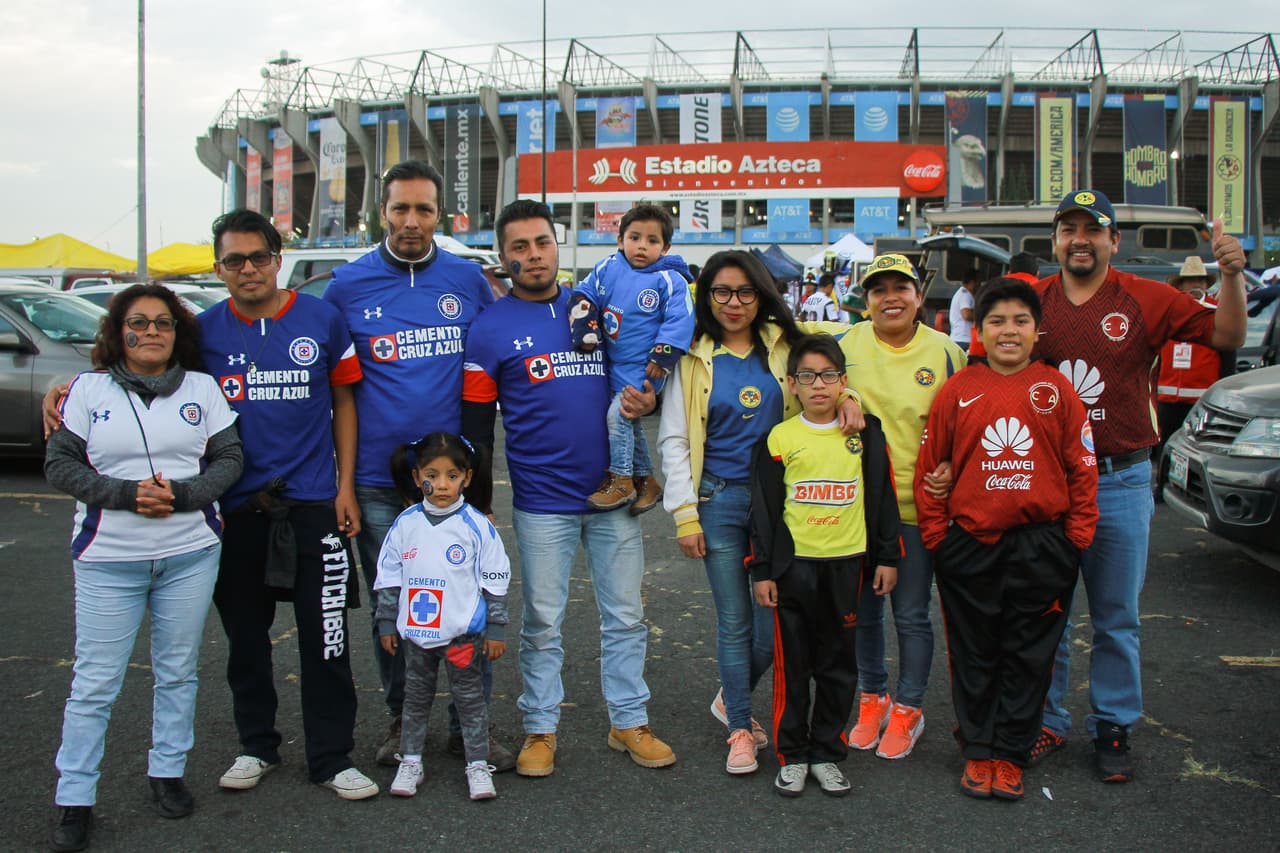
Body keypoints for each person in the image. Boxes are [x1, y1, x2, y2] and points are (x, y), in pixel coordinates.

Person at [1029, 189, 1246, 782]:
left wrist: (1230, 275)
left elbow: (1225, 337)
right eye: (1068, 229)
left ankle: (1113, 725)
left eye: (1092, 230)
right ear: (1055, 240)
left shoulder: (1145, 298)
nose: (1079, 239)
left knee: (1115, 617)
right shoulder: (1033, 301)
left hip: (1120, 479)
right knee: (1046, 611)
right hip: (1044, 484)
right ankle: (1045, 720)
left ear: (1112, 241)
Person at [462, 199, 675, 777]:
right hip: (541, 502)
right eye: (520, 247)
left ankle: (628, 720)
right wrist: (476, 504)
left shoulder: (596, 305)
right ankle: (540, 729)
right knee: (543, 622)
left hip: (614, 492)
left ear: (558, 245)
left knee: (627, 615)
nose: (533, 256)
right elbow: (477, 427)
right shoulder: (488, 329)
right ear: (504, 257)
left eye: (542, 243)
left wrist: (649, 394)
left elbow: (640, 367)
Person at [322, 160, 510, 770]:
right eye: (399, 209)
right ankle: (404, 719)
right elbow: (322, 380)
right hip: (379, 482)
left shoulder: (467, 280)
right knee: (399, 606)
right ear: (382, 212)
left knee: (466, 602)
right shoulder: (347, 285)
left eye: (422, 210)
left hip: (453, 483)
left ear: (441, 215)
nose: (410, 221)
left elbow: (495, 361)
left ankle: (466, 725)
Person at [44, 284, 243, 852]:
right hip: (109, 559)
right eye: (139, 322)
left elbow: (229, 457)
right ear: (118, 330)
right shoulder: (85, 389)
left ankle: (167, 772)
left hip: (189, 553)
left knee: (178, 670)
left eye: (163, 323)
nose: (151, 332)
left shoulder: (201, 389)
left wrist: (184, 496)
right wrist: (125, 495)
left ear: (178, 333)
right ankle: (75, 797)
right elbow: (59, 465)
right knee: (96, 682)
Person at [657, 250, 863, 776]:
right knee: (733, 622)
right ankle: (740, 730)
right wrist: (684, 513)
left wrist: (851, 395)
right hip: (719, 500)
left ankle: (731, 694)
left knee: (774, 623)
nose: (734, 303)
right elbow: (675, 439)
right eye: (721, 292)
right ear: (705, 297)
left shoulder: (783, 345)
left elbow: (826, 374)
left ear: (763, 294)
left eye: (746, 292)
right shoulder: (692, 356)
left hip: (781, 503)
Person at [201, 210, 377, 801]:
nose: (248, 269)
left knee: (326, 637)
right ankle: (256, 746)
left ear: (279, 259)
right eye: (234, 260)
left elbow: (345, 403)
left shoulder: (321, 319)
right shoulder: (202, 333)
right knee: (245, 639)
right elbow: (134, 368)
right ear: (219, 267)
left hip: (313, 505)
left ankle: (332, 757)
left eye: (258, 257)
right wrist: (64, 387)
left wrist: (344, 487)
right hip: (236, 511)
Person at [915, 279, 1098, 801]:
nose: (1009, 331)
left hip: (1042, 545)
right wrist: (937, 536)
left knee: (1030, 654)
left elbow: (1082, 467)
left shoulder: (1056, 389)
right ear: (979, 330)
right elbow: (931, 467)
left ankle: (1011, 754)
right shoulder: (958, 389)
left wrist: (1075, 539)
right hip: (970, 544)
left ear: (1038, 331)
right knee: (974, 652)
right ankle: (977, 750)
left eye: (1021, 320)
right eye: (997, 321)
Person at [748, 334, 900, 798]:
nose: (819, 385)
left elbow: (884, 496)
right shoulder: (779, 438)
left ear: (843, 382)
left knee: (838, 667)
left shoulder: (865, 432)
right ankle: (792, 753)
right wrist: (764, 571)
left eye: (829, 375)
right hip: (796, 570)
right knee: (794, 666)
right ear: (792, 384)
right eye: (808, 376)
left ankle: (826, 752)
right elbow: (764, 512)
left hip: (846, 567)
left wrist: (888, 556)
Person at [837, 253, 966, 761]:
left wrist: (955, 465)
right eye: (878, 289)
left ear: (918, 297)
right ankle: (873, 699)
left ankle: (910, 707)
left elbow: (967, 419)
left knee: (911, 614)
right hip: (857, 510)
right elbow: (815, 392)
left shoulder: (947, 351)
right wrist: (843, 393)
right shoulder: (846, 345)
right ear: (865, 301)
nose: (890, 297)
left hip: (918, 507)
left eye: (901, 288)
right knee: (864, 614)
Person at [375, 432, 511, 801]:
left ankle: (478, 764)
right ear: (417, 476)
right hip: (416, 638)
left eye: (452, 476)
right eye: (432, 475)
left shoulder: (477, 525)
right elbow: (389, 577)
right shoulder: (405, 524)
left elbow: (495, 579)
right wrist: (387, 621)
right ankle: (412, 760)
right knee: (415, 700)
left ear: (467, 477)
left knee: (469, 699)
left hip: (461, 638)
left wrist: (496, 627)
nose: (441, 485)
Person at [570, 203, 694, 513]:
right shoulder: (608, 267)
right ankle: (648, 483)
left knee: (618, 416)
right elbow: (584, 294)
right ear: (620, 239)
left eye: (652, 241)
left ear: (665, 247)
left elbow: (680, 318)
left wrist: (664, 355)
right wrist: (585, 326)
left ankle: (622, 481)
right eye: (634, 237)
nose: (642, 246)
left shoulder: (669, 278)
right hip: (616, 365)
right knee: (630, 423)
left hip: (648, 367)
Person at [1155, 257, 1231, 465]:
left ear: (1207, 284)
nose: (1194, 284)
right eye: (1189, 280)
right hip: (1167, 398)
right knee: (1166, 445)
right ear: (1180, 284)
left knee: (1200, 449)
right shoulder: (1169, 312)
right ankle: (1163, 488)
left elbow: (1228, 355)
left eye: (1199, 279)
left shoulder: (1216, 311)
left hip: (1202, 397)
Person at [948, 270, 978, 352]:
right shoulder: (965, 295)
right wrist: (982, 316)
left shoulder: (962, 293)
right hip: (963, 340)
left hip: (960, 339)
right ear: (972, 282)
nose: (979, 286)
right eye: (978, 282)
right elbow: (966, 314)